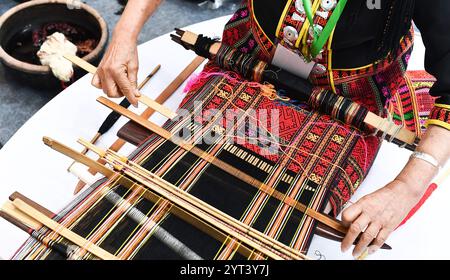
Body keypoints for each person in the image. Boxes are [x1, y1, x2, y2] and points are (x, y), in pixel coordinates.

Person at [92, 0, 450, 258]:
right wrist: (125, 33)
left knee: (269, 220)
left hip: (347, 106)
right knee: (165, 184)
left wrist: (405, 188)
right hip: (244, 64)